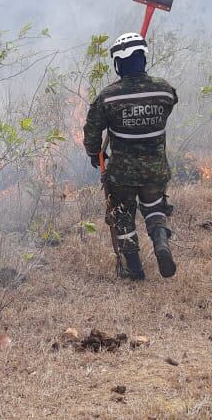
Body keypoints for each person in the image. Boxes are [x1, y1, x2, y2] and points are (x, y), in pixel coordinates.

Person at [82, 32, 178, 280]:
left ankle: (133, 268)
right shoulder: (165, 91)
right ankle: (160, 243)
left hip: (121, 174)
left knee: (123, 215)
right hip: (155, 170)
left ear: (117, 64)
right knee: (154, 208)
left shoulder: (108, 97)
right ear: (144, 59)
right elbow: (170, 102)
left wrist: (96, 154)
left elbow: (92, 132)